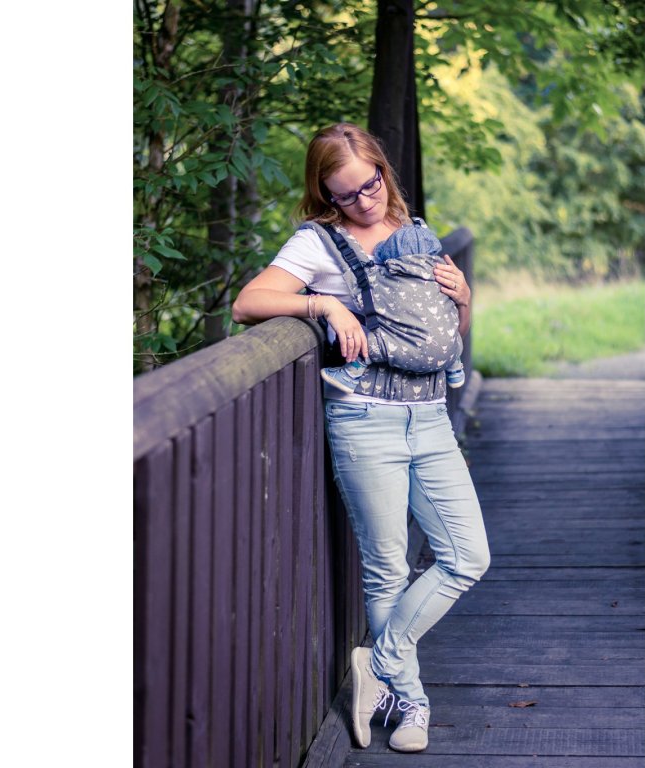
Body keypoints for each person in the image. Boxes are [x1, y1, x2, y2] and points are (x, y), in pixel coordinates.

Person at [231, 122, 490, 754]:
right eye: (345, 194)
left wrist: (464, 299)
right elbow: (248, 302)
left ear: (382, 170)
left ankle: (377, 660)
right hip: (365, 419)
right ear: (325, 193)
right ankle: (410, 705)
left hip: (430, 417)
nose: (364, 201)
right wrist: (324, 306)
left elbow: (441, 334)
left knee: (468, 557)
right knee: (387, 568)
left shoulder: (413, 230)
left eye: (369, 185)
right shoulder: (318, 242)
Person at [319, 219, 467, 394]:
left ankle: (350, 375)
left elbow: (363, 296)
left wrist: (327, 302)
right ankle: (456, 369)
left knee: (370, 344)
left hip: (403, 351)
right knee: (449, 334)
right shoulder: (443, 275)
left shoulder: (384, 278)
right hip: (449, 352)